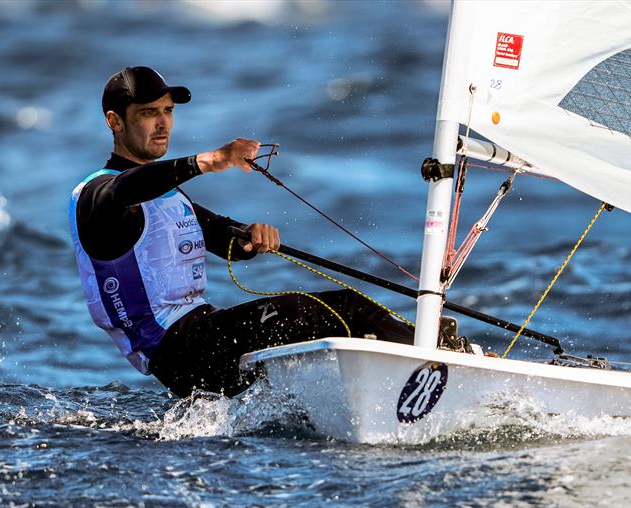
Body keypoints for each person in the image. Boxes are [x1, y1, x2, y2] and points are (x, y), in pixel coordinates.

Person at [69, 66, 414, 398]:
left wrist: (249, 235)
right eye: (148, 113)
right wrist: (207, 160)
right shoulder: (96, 196)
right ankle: (431, 361)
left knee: (333, 328)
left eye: (168, 111)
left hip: (204, 339)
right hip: (182, 348)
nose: (162, 123)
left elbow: (223, 238)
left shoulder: (167, 194)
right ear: (114, 121)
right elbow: (124, 190)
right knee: (345, 308)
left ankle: (398, 380)